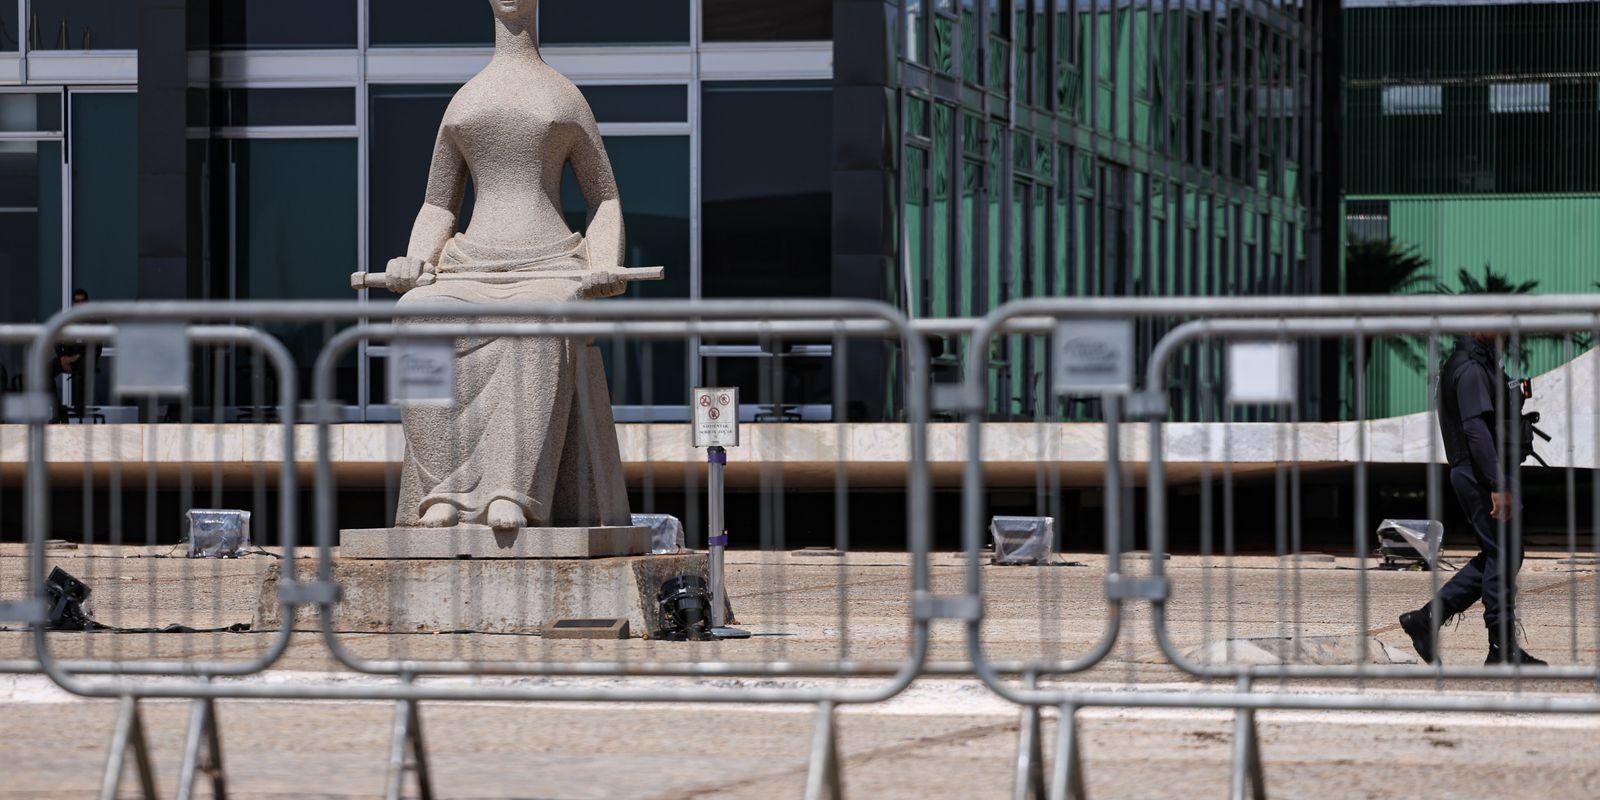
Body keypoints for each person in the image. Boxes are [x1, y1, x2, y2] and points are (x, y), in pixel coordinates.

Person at [382, 0, 633, 532]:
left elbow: (604, 198)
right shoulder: (466, 98)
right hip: (469, 265)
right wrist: (416, 258)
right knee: (413, 316)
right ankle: (442, 491)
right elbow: (438, 204)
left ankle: (511, 490)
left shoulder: (563, 94)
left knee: (538, 319)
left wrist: (603, 263)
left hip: (549, 264)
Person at [1398, 333, 1546, 666]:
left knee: (1504, 553)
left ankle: (1427, 619)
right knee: (1503, 554)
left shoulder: (1482, 363)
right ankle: (1500, 648)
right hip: (1479, 471)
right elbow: (1475, 430)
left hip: (1484, 469)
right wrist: (1497, 483)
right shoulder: (1469, 369)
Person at [50, 288, 97, 423]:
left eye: (83, 301)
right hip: (67, 358)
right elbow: (56, 340)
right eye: (77, 301)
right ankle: (58, 410)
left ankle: (80, 409)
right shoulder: (67, 320)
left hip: (85, 359)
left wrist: (73, 358)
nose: (80, 304)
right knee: (45, 371)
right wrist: (62, 358)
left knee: (82, 367)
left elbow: (95, 347)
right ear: (73, 303)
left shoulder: (94, 320)